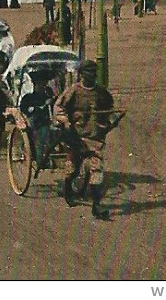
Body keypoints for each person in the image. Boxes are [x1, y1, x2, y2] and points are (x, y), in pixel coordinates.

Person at [54, 59, 116, 219]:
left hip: (95, 137)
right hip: (76, 136)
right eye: (88, 74)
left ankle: (97, 206)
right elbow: (59, 107)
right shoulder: (73, 91)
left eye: (94, 74)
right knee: (73, 167)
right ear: (81, 75)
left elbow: (109, 108)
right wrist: (65, 121)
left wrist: (111, 120)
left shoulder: (101, 92)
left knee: (97, 170)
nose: (91, 77)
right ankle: (68, 189)